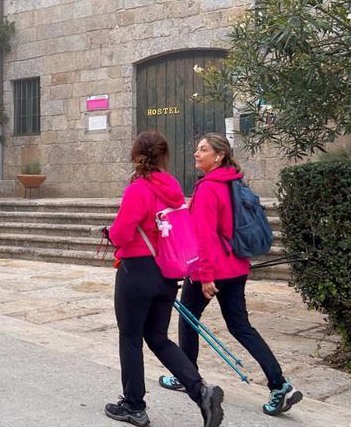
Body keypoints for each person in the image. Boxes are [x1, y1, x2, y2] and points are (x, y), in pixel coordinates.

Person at [159, 133, 302, 416]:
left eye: (203, 150)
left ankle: (188, 378)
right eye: (196, 149)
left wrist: (205, 275)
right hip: (236, 266)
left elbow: (205, 236)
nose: (196, 154)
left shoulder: (209, 188)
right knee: (241, 327)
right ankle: (279, 384)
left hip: (211, 269)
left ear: (219, 156)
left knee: (188, 320)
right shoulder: (234, 181)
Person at [105, 130, 224, 427]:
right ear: (163, 156)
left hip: (138, 271)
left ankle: (134, 406)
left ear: (136, 155)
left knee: (130, 337)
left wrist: (109, 233)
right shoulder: (171, 185)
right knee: (158, 336)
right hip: (168, 272)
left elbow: (122, 233)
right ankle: (201, 392)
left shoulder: (138, 188)